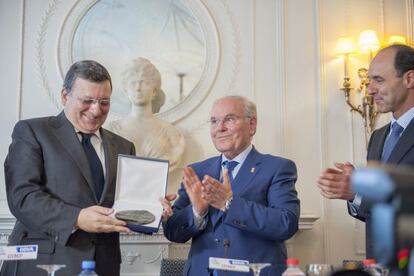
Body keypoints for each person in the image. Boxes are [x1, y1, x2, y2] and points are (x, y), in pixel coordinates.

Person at [2, 60, 175, 276]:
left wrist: (153, 207)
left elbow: (124, 208)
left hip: (103, 265)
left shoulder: (123, 146)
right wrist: (77, 218)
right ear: (65, 96)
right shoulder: (32, 131)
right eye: (87, 100)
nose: (96, 110)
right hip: (42, 264)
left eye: (104, 102)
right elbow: (22, 198)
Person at [162, 95, 300, 276]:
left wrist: (230, 204)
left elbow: (286, 223)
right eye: (214, 121)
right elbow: (174, 233)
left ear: (252, 125)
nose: (220, 128)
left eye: (229, 119)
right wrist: (197, 212)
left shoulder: (277, 168)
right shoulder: (196, 171)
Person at [317, 44, 414, 257]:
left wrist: (358, 192)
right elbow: (375, 213)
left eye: (379, 80)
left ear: (409, 79)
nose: (369, 89)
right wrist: (355, 196)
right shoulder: (378, 136)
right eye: (370, 80)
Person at [106, 57, 185, 171]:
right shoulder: (112, 130)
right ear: (126, 89)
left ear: (154, 90)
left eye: (144, 83)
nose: (138, 88)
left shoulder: (171, 133)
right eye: (133, 83)